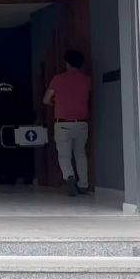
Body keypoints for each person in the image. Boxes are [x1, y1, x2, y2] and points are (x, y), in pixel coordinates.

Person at [43, 49, 91, 196]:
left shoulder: (58, 79)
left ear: (68, 63)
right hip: (82, 123)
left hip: (63, 123)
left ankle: (69, 176)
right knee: (80, 154)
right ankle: (83, 184)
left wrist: (57, 102)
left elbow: (46, 100)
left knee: (64, 155)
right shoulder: (86, 80)